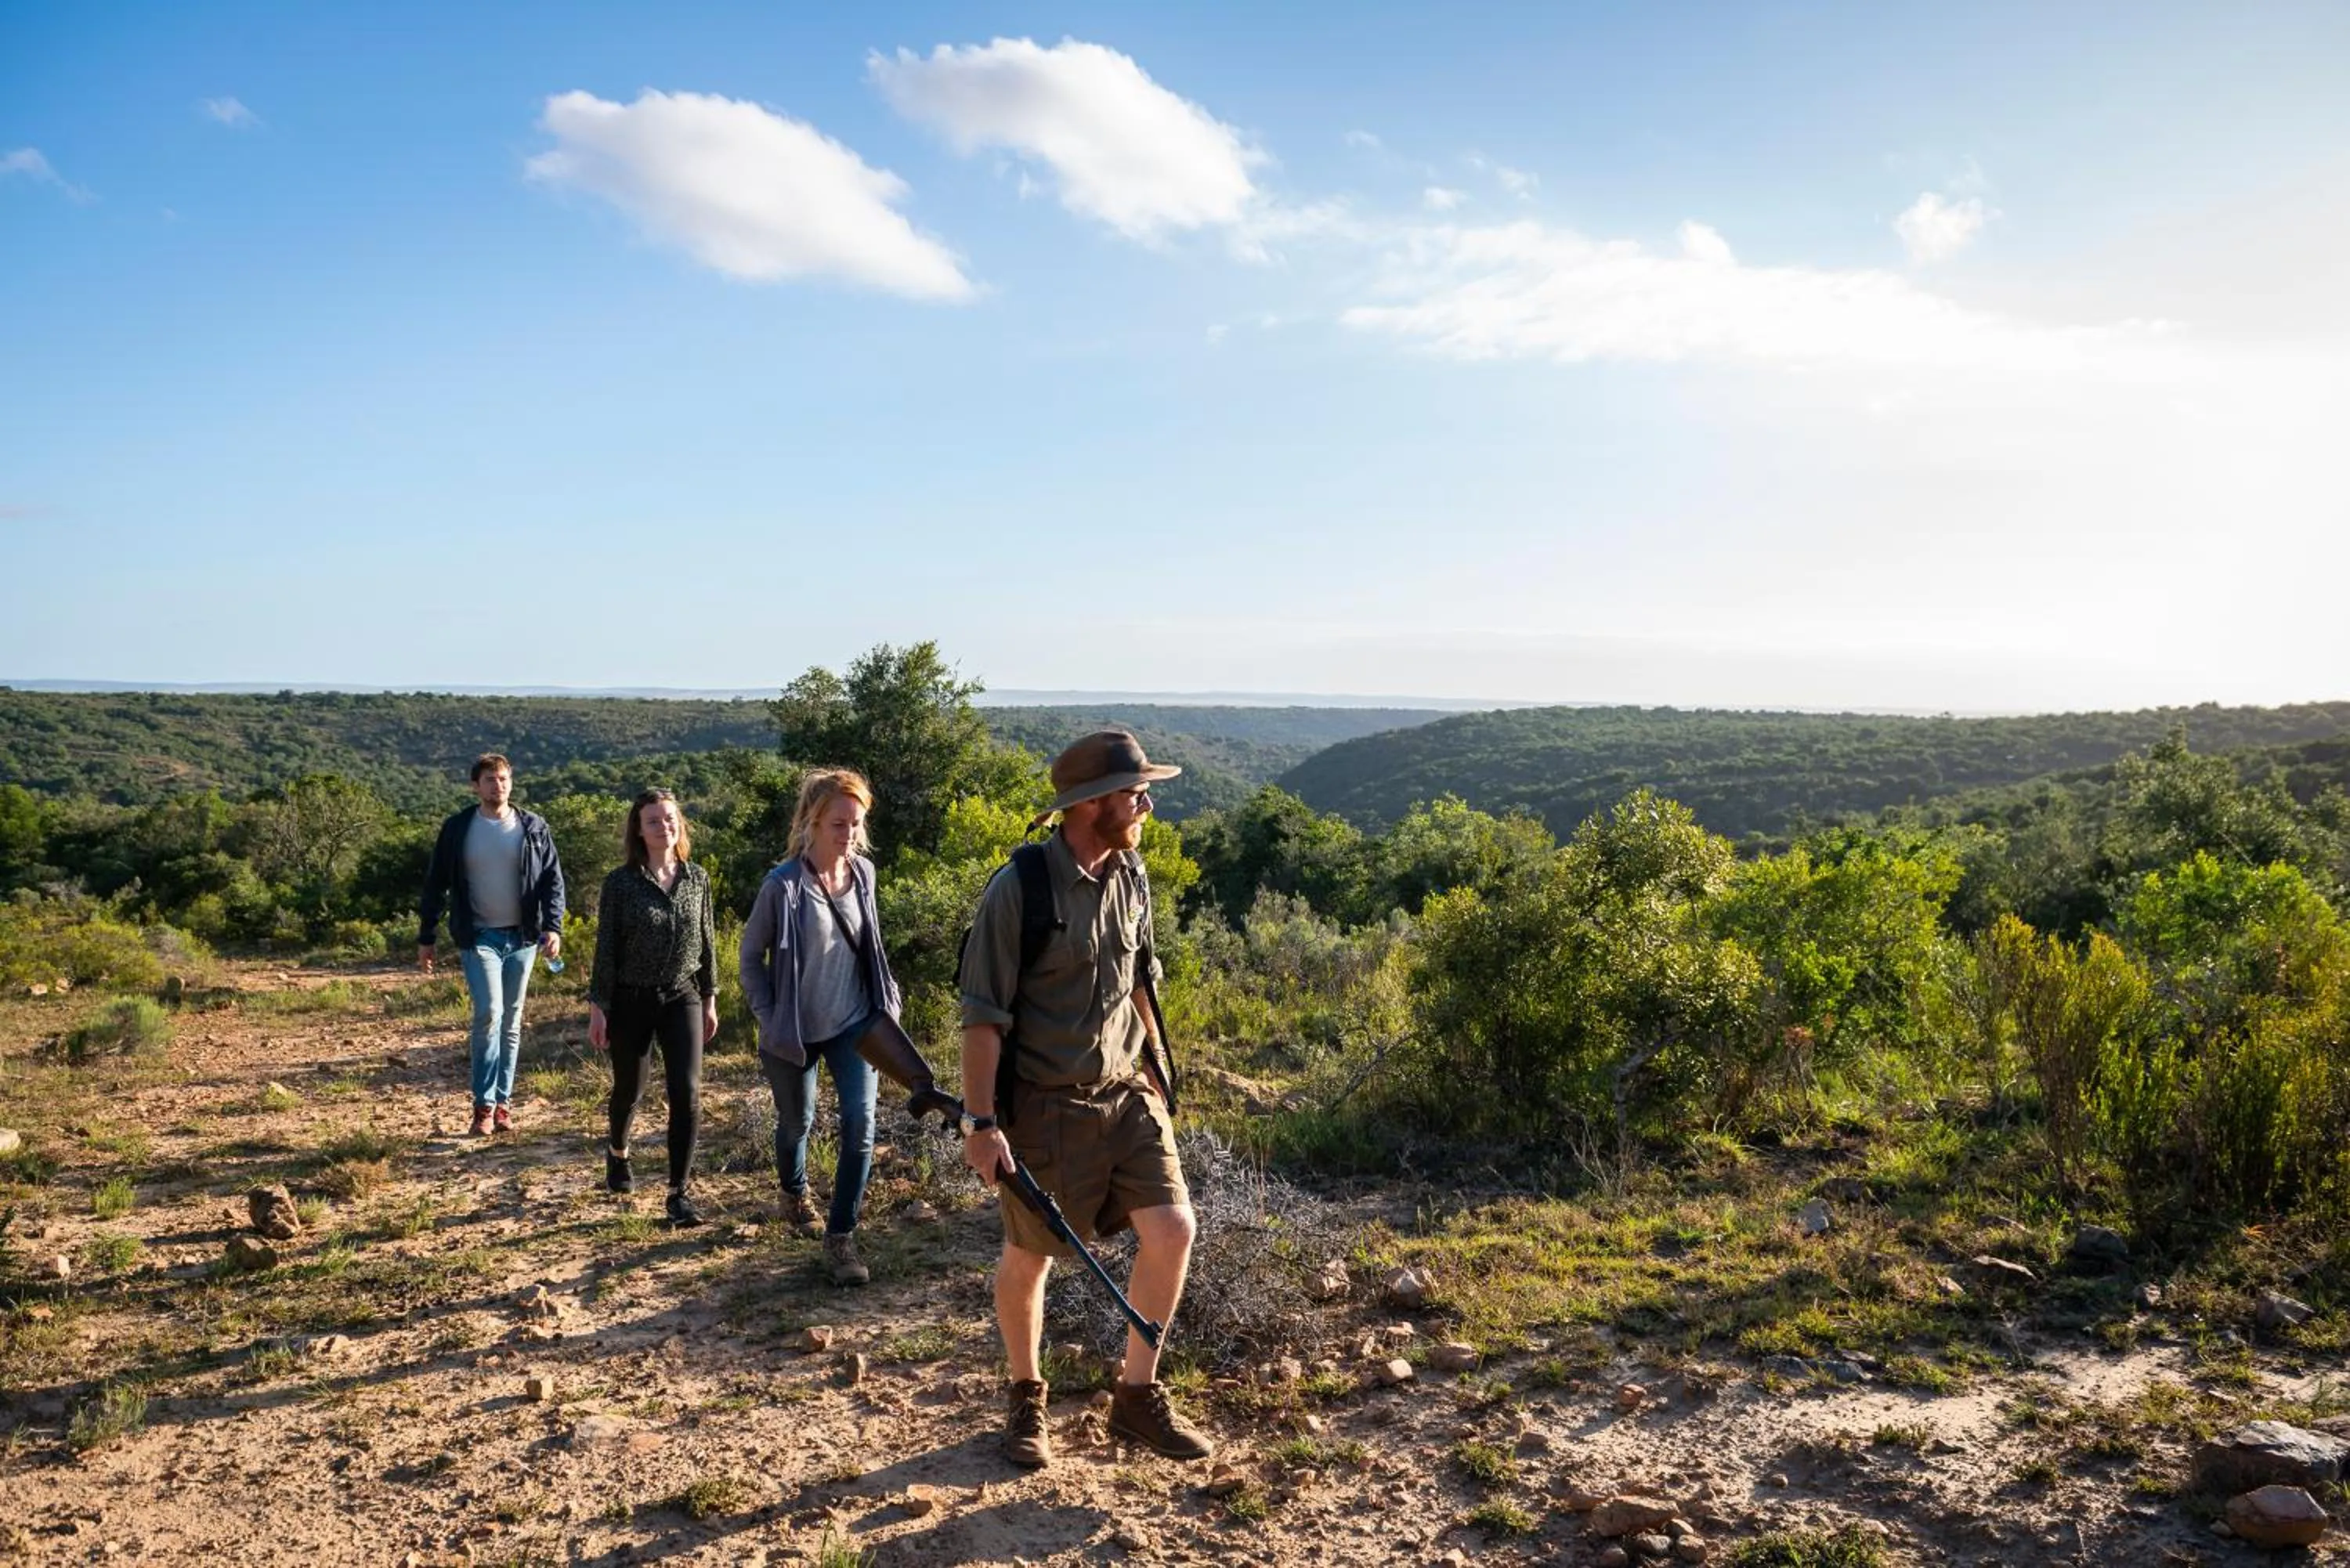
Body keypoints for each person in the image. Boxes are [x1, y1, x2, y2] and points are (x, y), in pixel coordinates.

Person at [957, 730, 1213, 1469]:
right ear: (1090, 804)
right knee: (1030, 1255)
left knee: (1173, 1229)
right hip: (1044, 1103)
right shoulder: (1019, 891)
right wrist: (980, 1124)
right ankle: (1025, 1397)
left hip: (1127, 1090)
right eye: (1134, 792)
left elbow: (1140, 979)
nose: (1146, 803)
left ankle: (1137, 1397)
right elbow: (983, 1016)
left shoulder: (1131, 873)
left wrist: (1158, 1064)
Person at [739, 768, 904, 1286]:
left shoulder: (865, 875)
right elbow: (749, 956)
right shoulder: (782, 886)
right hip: (795, 1029)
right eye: (839, 823)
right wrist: (769, 1016)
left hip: (855, 1023)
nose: (849, 834)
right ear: (812, 820)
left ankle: (841, 1238)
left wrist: (885, 1003)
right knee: (797, 1123)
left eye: (856, 824)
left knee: (861, 1125)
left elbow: (870, 944)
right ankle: (793, 1192)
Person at [587, 789, 718, 1227]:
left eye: (670, 818)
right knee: (630, 1088)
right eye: (654, 821)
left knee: (687, 1091)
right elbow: (606, 950)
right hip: (631, 998)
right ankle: (618, 1152)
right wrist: (598, 1007)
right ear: (639, 831)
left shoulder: (696, 878)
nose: (665, 826)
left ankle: (679, 1193)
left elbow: (707, 943)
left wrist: (711, 997)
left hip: (683, 995)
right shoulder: (620, 883)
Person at [418, 753, 566, 1136]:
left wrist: (554, 927)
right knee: (489, 1013)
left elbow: (553, 880)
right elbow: (436, 884)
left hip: (523, 937)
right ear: (475, 786)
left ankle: (503, 1105)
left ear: (510, 782)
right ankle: (482, 1105)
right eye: (489, 780)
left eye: (503, 779)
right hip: (478, 936)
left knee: (512, 1021)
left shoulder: (533, 827)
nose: (497, 785)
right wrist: (426, 937)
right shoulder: (457, 829)